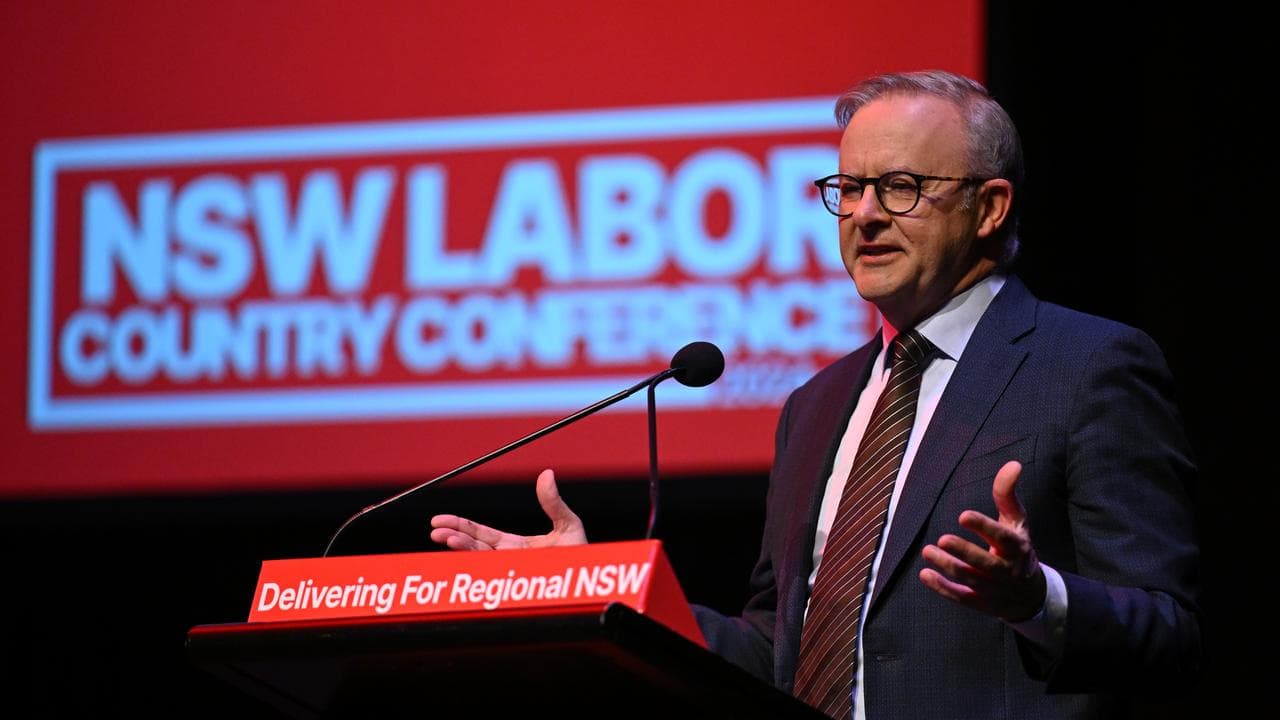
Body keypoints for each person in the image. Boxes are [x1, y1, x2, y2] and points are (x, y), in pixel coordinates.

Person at [429, 70, 1202, 719]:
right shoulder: (817, 405)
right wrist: (605, 589)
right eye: (850, 187)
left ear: (990, 207)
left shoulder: (1090, 365)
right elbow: (778, 650)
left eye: (901, 188)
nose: (864, 214)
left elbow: (1168, 632)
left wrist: (1037, 598)